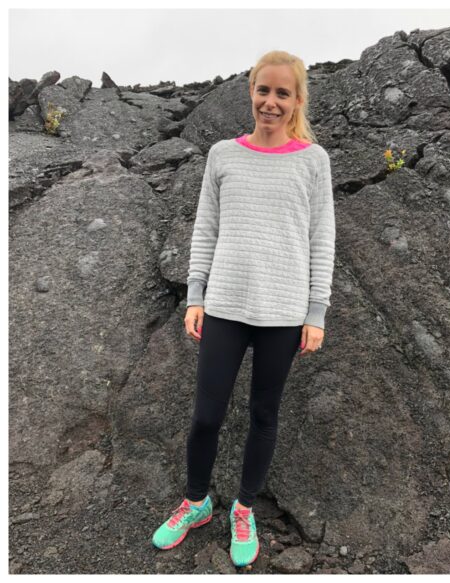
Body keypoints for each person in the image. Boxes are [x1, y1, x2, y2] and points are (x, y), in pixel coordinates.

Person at [150, 50, 336, 568]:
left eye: (282, 93)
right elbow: (205, 228)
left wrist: (315, 312)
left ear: (297, 100)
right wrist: (196, 295)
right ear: (250, 92)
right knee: (206, 415)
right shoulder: (222, 155)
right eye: (262, 90)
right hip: (226, 306)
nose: (270, 102)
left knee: (263, 414)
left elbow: (322, 240)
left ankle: (245, 509)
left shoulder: (312, 161)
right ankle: (197, 502)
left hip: (284, 312)